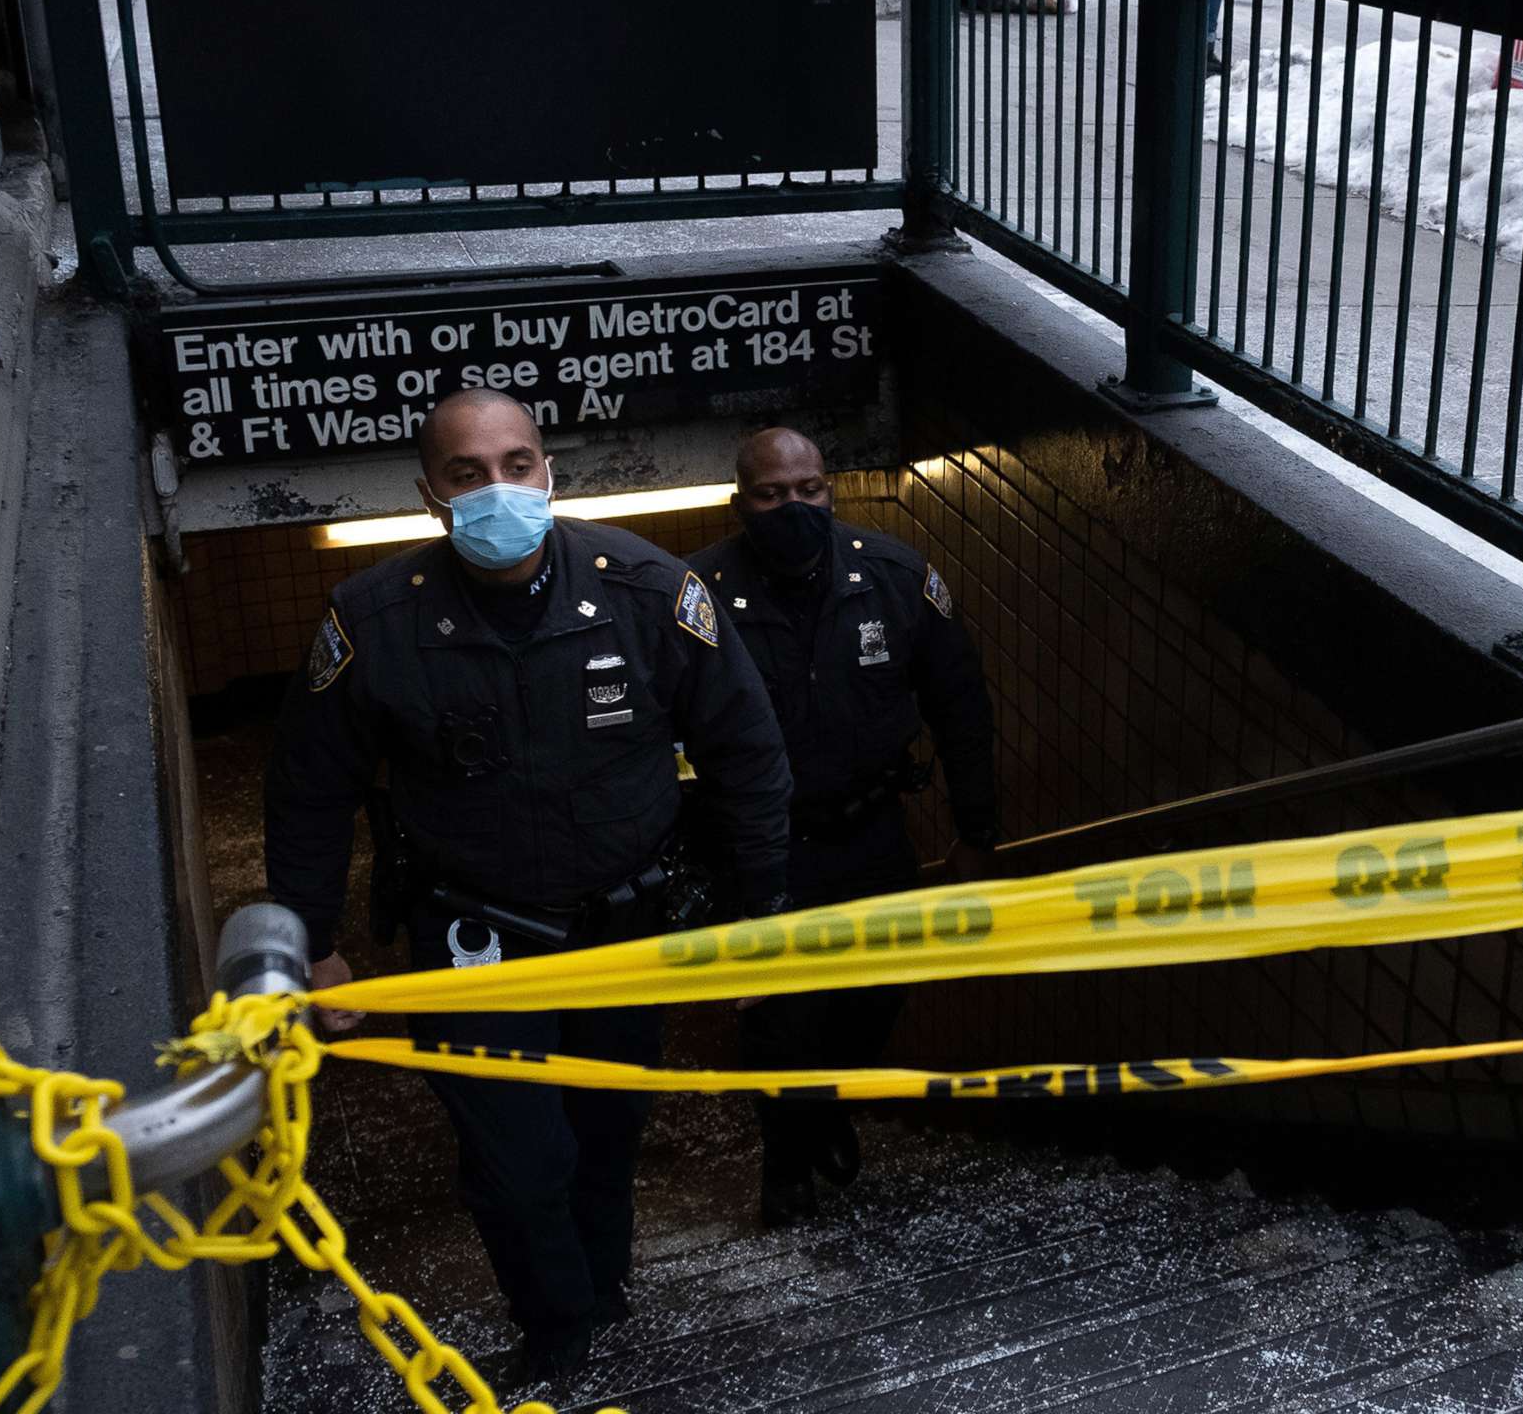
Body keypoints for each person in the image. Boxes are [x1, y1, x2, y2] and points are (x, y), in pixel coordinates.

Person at [263, 389, 793, 1387]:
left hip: (624, 933)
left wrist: (759, 914)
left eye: (517, 464)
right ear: (431, 494)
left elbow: (747, 756)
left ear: (550, 473)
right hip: (477, 942)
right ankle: (557, 1330)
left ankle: (605, 1288)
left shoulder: (648, 591)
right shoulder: (375, 622)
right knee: (517, 1162)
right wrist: (314, 938)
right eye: (468, 475)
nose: (497, 489)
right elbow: (307, 790)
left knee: (604, 1130)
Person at [689, 427, 1000, 1224]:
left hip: (870, 839)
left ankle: (824, 1109)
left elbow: (961, 707)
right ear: (739, 502)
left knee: (874, 1001)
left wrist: (976, 834)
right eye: (771, 494)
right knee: (779, 1022)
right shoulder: (700, 595)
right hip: (764, 852)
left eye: (810, 490)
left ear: (831, 490)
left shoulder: (893, 575)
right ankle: (785, 1171)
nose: (794, 507)